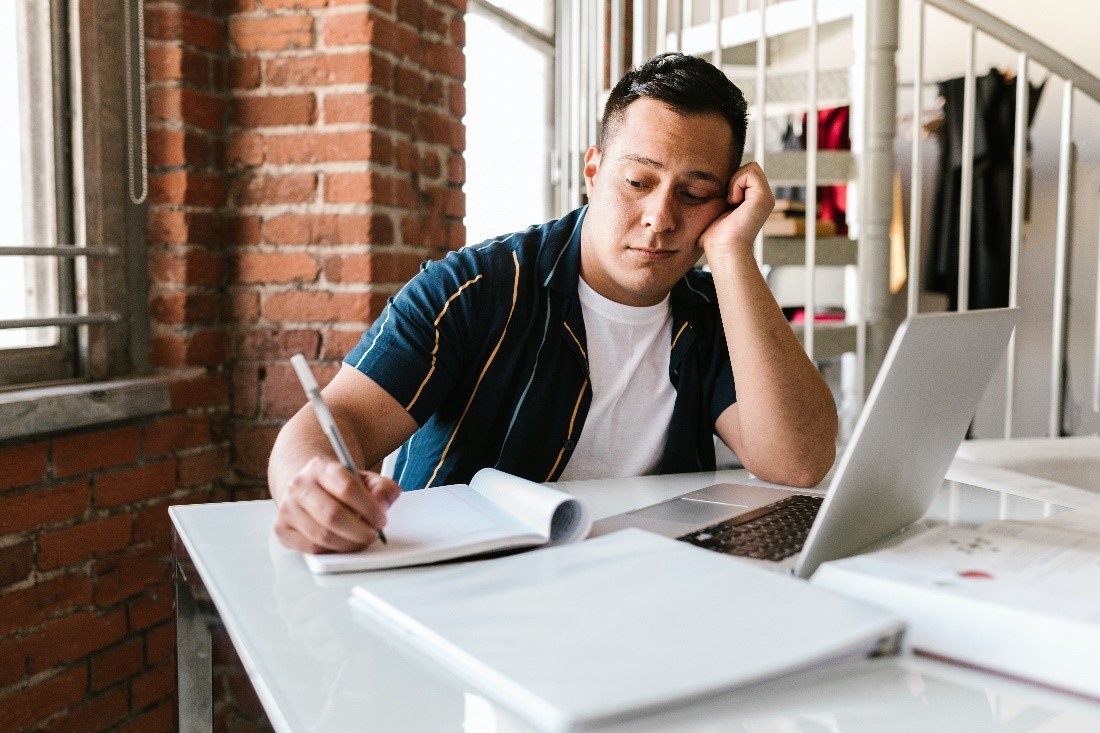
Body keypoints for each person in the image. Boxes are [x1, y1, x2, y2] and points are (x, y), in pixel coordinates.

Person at [268, 53, 838, 554]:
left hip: (647, 596)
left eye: (693, 195)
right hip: (467, 597)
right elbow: (334, 423)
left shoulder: (715, 313)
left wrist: (734, 252)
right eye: (638, 182)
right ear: (593, 171)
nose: (660, 219)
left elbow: (798, 463)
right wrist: (311, 489)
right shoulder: (475, 289)